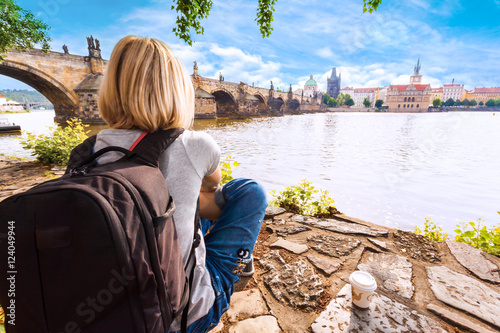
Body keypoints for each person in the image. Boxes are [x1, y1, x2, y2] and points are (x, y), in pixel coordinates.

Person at [95, 35, 267, 333]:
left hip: (117, 316)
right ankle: (238, 265)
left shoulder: (92, 150)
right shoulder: (194, 144)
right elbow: (213, 186)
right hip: (183, 318)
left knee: (178, 202)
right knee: (250, 191)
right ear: (178, 91)